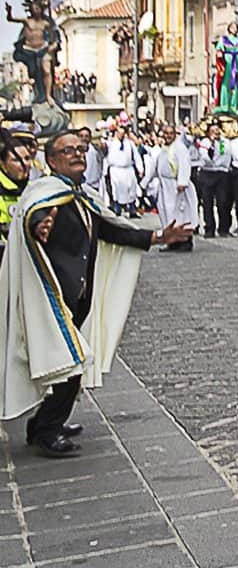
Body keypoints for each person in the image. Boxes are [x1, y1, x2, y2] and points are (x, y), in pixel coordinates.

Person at [1, 132, 192, 457]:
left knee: (66, 364)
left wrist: (158, 236)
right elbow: (35, 219)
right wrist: (38, 228)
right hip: (51, 298)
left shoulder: (81, 197)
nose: (77, 154)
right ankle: (46, 431)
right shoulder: (45, 196)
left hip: (76, 297)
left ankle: (43, 425)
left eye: (81, 149)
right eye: (68, 150)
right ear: (51, 160)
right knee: (72, 364)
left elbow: (111, 230)